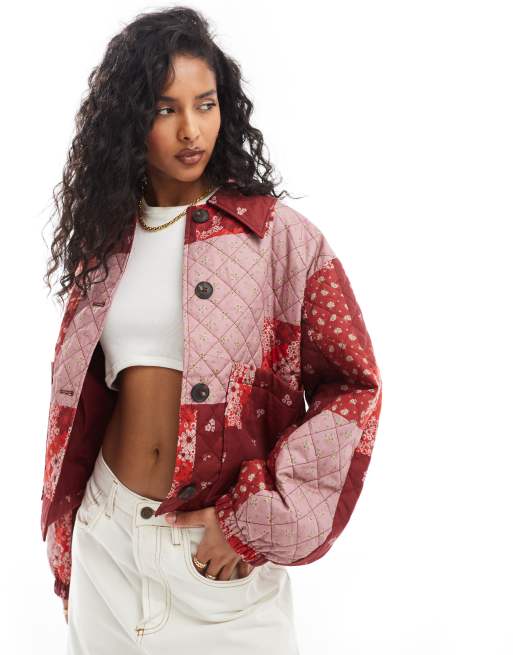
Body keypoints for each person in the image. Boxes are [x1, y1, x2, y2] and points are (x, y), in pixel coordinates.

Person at [41, 6, 383, 654]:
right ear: (129, 120)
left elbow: (353, 387)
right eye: (165, 109)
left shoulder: (277, 239)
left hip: (215, 561)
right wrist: (68, 538)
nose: (190, 129)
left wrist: (256, 519)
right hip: (107, 539)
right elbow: (79, 406)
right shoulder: (105, 245)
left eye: (205, 104)